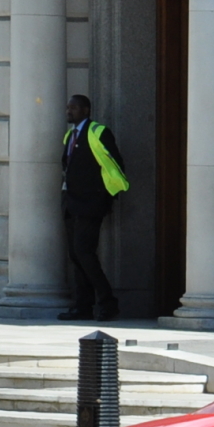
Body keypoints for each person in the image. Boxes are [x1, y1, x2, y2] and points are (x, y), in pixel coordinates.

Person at [59, 95, 127, 320]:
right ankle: (83, 306)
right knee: (76, 255)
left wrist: (104, 197)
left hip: (91, 204)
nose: (70, 111)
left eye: (75, 107)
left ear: (86, 110)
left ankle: (108, 303)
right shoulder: (70, 135)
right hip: (71, 203)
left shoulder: (98, 132)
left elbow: (115, 165)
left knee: (84, 253)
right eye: (69, 107)